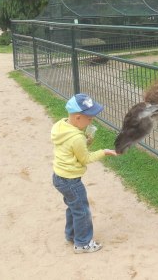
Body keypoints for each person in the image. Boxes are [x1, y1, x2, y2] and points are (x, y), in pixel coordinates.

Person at [51, 93, 118, 254]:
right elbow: (85, 159)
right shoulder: (76, 138)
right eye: (89, 118)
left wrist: (85, 141)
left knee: (73, 207)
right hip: (71, 181)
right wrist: (104, 152)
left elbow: (71, 148)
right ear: (78, 118)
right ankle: (82, 243)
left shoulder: (61, 126)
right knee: (82, 210)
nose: (92, 121)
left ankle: (71, 234)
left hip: (59, 176)